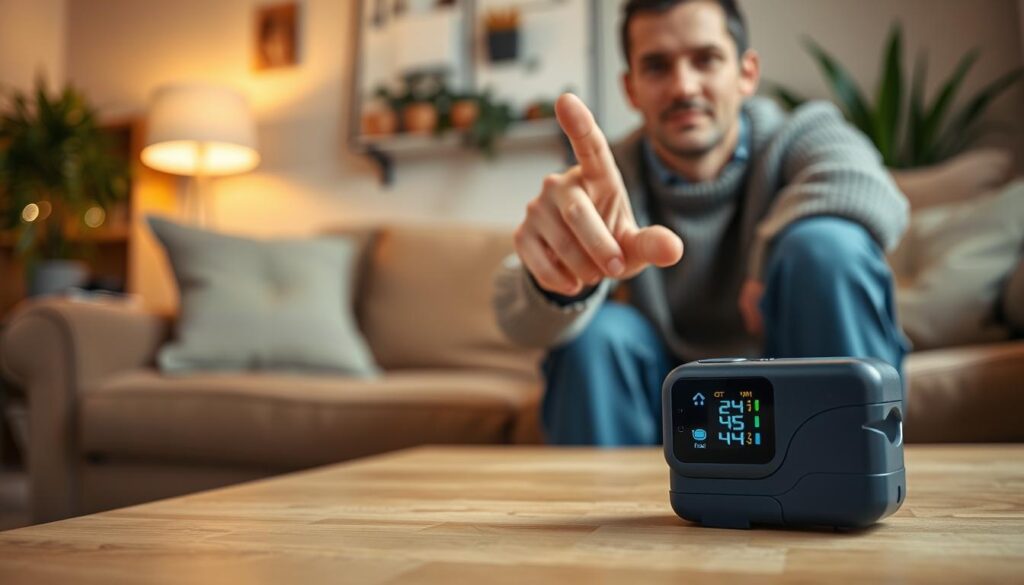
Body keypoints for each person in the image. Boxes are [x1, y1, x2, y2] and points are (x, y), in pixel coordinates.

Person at [492, 0, 910, 446]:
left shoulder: (800, 135)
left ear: (746, 73)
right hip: (664, 398)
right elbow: (516, 321)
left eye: (706, 60)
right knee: (598, 338)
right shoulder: (608, 179)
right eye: (656, 67)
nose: (683, 87)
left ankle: (855, 476)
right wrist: (560, 277)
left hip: (793, 371)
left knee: (827, 247)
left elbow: (870, 189)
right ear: (631, 89)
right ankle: (604, 511)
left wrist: (765, 254)